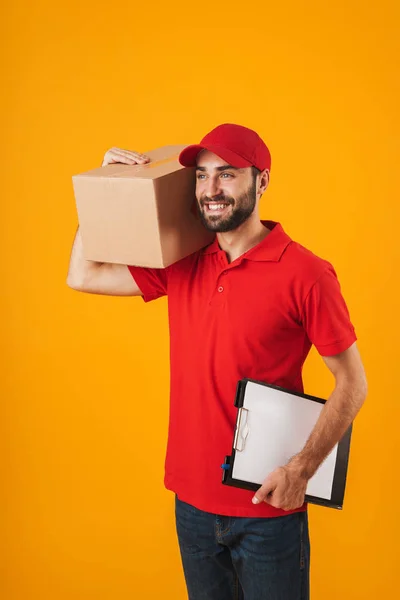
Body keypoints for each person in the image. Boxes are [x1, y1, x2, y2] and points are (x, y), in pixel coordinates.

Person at [67, 123, 367, 600]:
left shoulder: (307, 274)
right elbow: (82, 273)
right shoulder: (181, 260)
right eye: (202, 176)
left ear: (261, 181)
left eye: (226, 175)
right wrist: (104, 190)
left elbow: (353, 382)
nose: (210, 189)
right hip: (191, 505)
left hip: (267, 507)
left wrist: (301, 471)